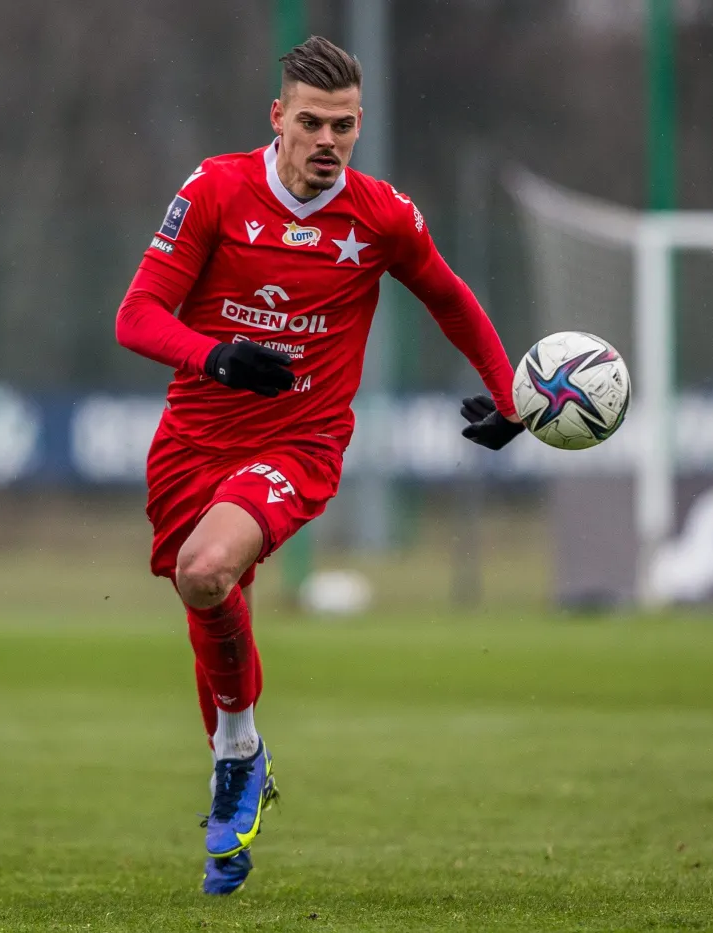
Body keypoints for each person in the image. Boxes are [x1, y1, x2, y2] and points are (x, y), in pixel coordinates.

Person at [114, 35, 524, 895]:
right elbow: (137, 316)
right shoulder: (216, 189)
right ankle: (243, 750)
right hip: (193, 439)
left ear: (360, 124)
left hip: (299, 441)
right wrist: (214, 356)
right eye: (311, 121)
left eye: (343, 124)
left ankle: (233, 756)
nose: (327, 139)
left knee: (207, 565)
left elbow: (450, 299)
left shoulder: (380, 215)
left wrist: (511, 398)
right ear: (278, 118)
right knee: (205, 590)